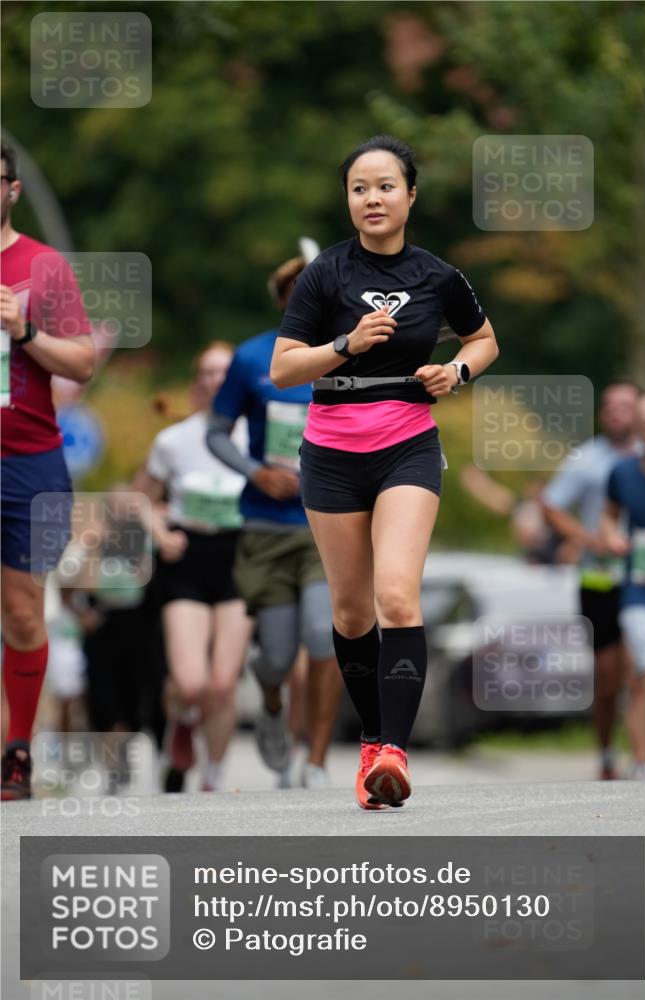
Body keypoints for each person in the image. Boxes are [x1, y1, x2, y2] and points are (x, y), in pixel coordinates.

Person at [269, 134, 498, 808]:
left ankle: (392, 753)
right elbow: (283, 368)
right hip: (332, 453)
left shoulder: (437, 276)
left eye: (384, 186)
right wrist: (343, 344)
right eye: (358, 188)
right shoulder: (325, 275)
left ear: (410, 195)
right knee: (348, 610)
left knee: (396, 595)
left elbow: (484, 339)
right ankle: (372, 740)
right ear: (348, 200)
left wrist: (455, 370)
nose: (371, 198)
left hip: (406, 445)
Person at [207, 256, 342, 789]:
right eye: (296, 291)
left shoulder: (348, 351)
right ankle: (269, 705)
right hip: (266, 526)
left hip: (327, 522)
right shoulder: (251, 358)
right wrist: (256, 472)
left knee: (323, 636)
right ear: (283, 298)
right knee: (277, 657)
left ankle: (316, 759)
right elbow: (217, 432)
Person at [1, 141, 95, 800]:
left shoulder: (43, 266)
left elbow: (83, 363)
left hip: (27, 461)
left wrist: (25, 331)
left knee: (24, 614)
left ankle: (18, 752)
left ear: (11, 189)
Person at [137, 343, 254, 792]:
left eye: (224, 372)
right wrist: (160, 533)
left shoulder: (254, 436)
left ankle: (212, 778)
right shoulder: (173, 440)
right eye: (206, 372)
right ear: (196, 382)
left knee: (222, 685)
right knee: (190, 683)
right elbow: (140, 499)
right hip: (186, 558)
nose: (215, 380)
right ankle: (182, 722)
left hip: (238, 558)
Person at [542, 382, 645, 780]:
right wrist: (589, 540)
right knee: (608, 680)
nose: (617, 412)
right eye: (610, 406)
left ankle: (644, 758)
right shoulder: (586, 460)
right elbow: (551, 505)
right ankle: (607, 753)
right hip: (599, 577)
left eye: (626, 405)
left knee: (643, 669)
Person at [600, 391, 645, 778]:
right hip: (640, 593)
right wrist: (611, 537)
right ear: (639, 430)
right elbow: (610, 517)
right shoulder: (622, 473)